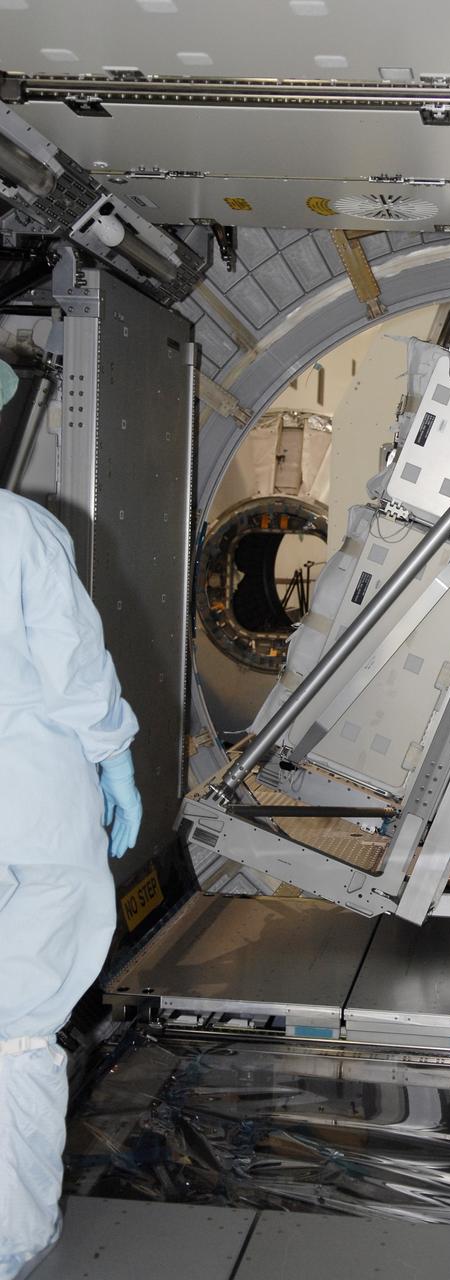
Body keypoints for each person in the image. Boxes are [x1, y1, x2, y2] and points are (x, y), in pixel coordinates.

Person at [0, 359, 143, 1278]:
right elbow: (74, 671)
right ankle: (10, 1237)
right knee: (14, 1030)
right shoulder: (16, 532)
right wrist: (115, 756)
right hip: (33, 814)